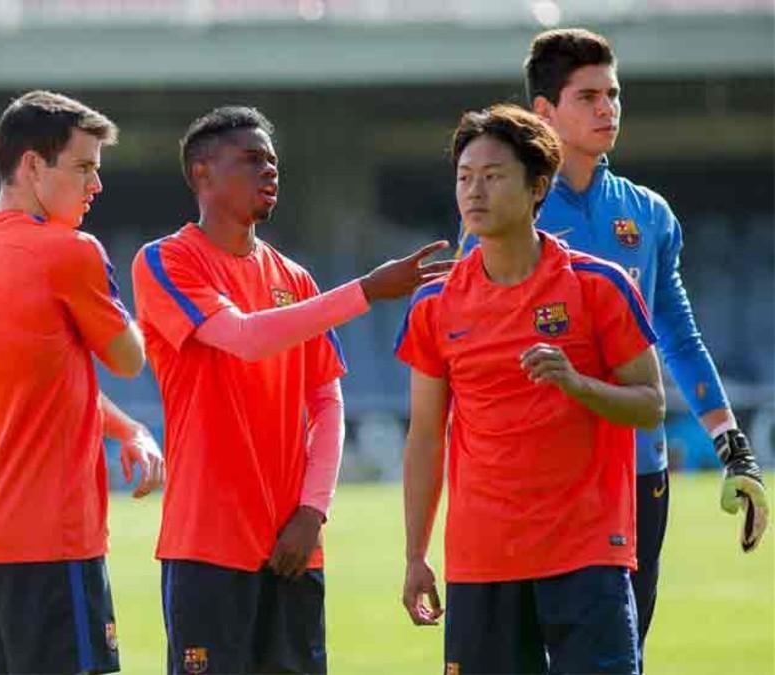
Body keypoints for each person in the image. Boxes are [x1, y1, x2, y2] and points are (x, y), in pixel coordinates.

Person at [455, 29, 768, 656]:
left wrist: (734, 447)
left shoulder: (648, 215)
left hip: (635, 471)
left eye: (614, 94)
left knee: (617, 656)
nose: (608, 110)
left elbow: (677, 334)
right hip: (537, 480)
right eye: (588, 96)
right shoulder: (504, 210)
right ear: (543, 111)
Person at [132, 106, 451, 674]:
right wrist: (367, 290)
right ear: (201, 174)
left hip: (294, 545)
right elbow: (244, 338)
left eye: (273, 162)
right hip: (207, 543)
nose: (269, 172)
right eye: (251, 161)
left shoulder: (295, 279)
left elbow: (326, 400)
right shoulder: (166, 260)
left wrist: (312, 511)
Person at [401, 103, 665, 674]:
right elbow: (425, 436)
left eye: (493, 176)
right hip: (480, 562)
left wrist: (576, 383)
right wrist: (415, 554)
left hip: (586, 555)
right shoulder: (433, 305)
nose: (474, 191)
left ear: (537, 184)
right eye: (465, 177)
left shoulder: (599, 285)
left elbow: (650, 406)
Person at [0, 90, 162, 675]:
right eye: (84, 167)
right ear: (33, 166)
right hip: (53, 533)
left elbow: (44, 381)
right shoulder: (70, 251)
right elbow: (128, 357)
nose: (96, 186)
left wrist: (127, 428)